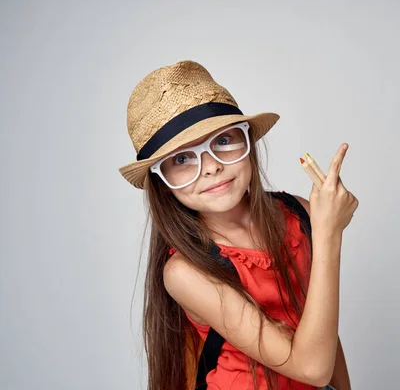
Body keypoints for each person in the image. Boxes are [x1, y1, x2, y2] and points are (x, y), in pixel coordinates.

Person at [118, 60, 359, 390]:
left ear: (248, 143)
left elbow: (323, 332)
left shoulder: (299, 214)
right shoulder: (184, 272)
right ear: (162, 183)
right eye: (183, 159)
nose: (211, 167)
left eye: (222, 141)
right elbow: (311, 368)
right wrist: (330, 232)